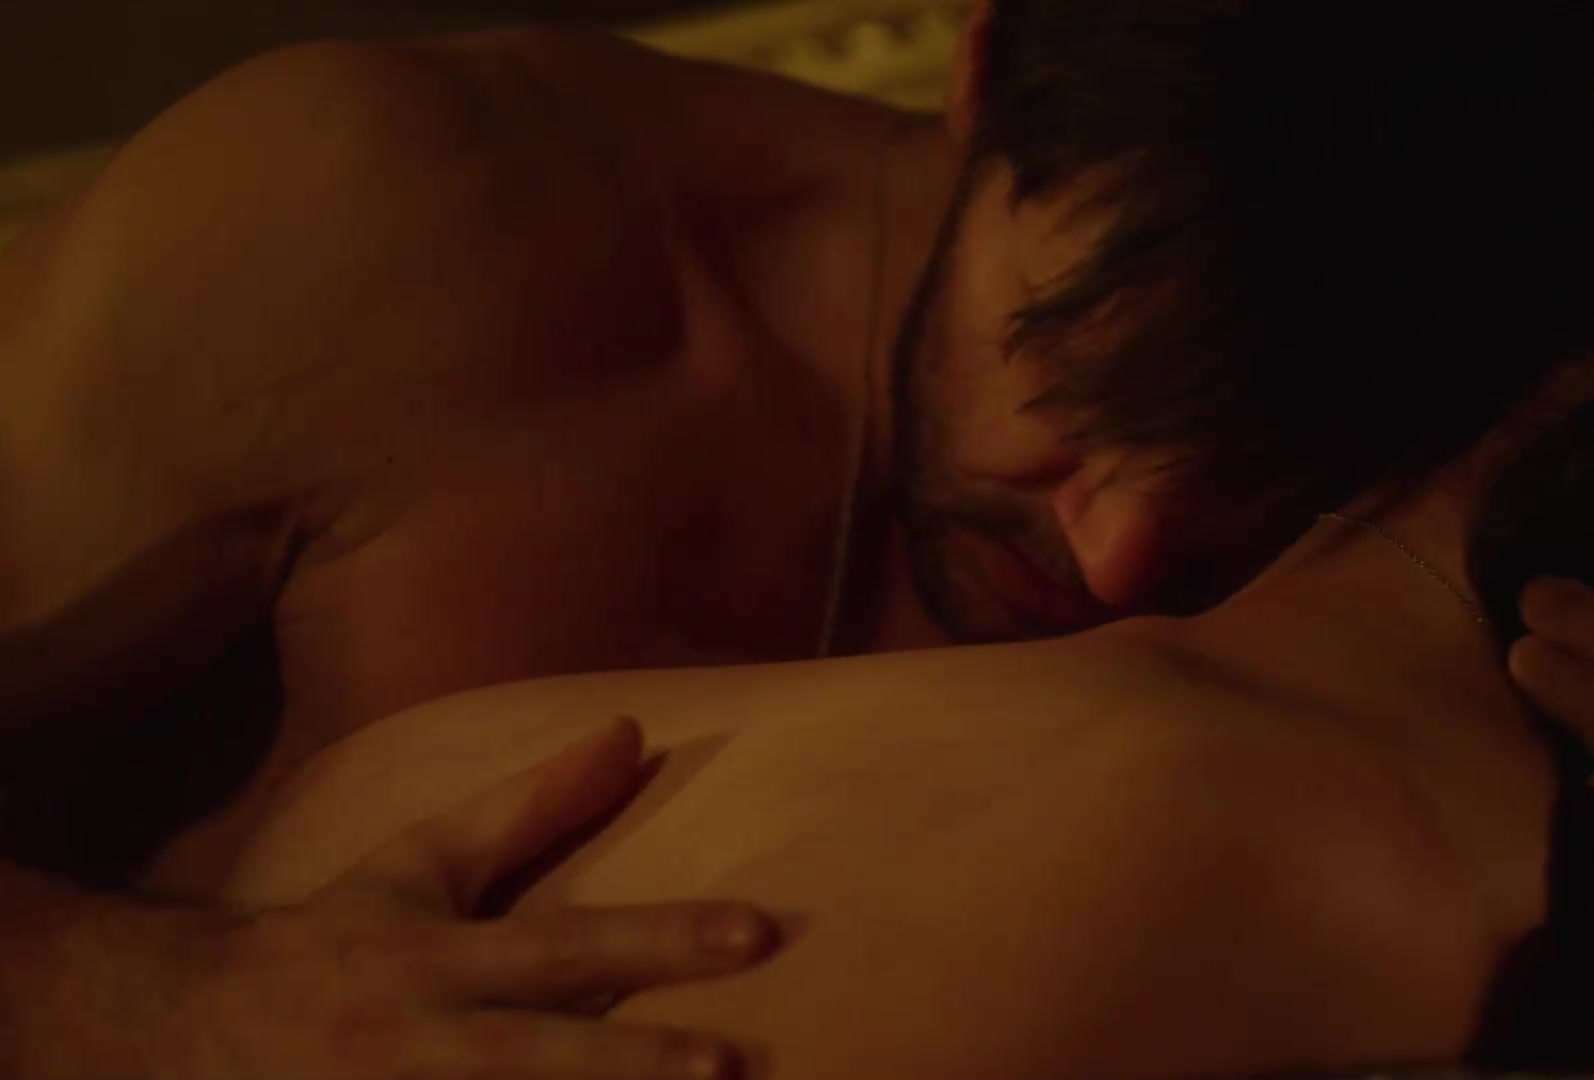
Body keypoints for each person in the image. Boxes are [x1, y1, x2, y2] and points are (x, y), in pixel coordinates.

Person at [0, 0, 1591, 1075]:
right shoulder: (378, 228)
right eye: (1074, 373)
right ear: (979, 76)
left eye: (1258, 455)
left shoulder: (1457, 364)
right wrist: (168, 1009)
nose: (1120, 555)